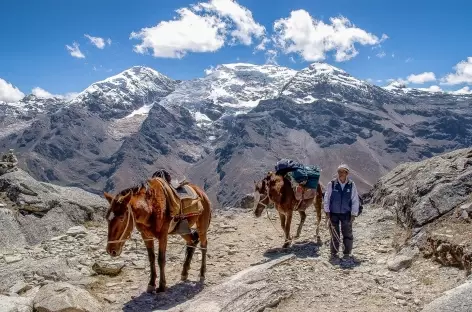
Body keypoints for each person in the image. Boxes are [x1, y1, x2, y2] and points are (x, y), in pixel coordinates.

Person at [323, 164, 359, 264]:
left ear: (347, 173)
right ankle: (334, 253)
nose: (340, 174)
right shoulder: (332, 184)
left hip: (346, 213)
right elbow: (327, 198)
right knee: (334, 234)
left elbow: (355, 199)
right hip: (333, 213)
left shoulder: (351, 185)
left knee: (347, 233)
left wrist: (353, 214)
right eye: (339, 171)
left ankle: (347, 253)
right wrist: (327, 211)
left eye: (343, 172)